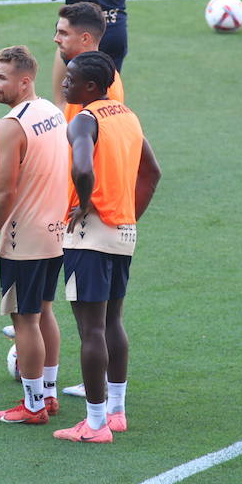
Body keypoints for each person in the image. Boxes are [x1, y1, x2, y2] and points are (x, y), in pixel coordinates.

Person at [53, 51, 161, 443]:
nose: (65, 84)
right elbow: (153, 172)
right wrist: (129, 214)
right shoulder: (127, 116)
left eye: (71, 79)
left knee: (90, 330)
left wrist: (84, 203)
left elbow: (83, 168)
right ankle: (116, 411)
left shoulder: (84, 120)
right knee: (113, 321)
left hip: (91, 235)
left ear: (92, 87)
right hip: (123, 232)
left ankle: (95, 424)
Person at [0, 46, 68, 425]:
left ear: (25, 81)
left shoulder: (11, 125)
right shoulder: (52, 112)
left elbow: (4, 191)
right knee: (44, 310)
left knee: (24, 320)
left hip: (25, 236)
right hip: (57, 232)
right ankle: (47, 394)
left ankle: (32, 406)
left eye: (2, 78)